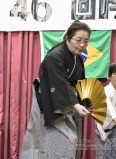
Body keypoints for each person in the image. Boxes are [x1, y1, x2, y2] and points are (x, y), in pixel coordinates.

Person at [20, 20, 91, 159]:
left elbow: (80, 83)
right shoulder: (55, 56)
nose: (82, 44)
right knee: (46, 142)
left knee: (68, 143)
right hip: (50, 103)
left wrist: (84, 101)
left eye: (86, 41)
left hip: (67, 104)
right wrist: (75, 104)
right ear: (68, 38)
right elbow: (59, 83)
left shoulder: (78, 59)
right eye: (78, 40)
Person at [96, 63, 116, 159]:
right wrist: (115, 118)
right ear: (109, 76)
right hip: (105, 124)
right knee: (104, 153)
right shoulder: (104, 90)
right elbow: (108, 106)